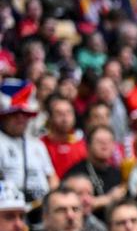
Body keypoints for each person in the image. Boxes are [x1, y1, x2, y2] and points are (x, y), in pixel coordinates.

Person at [0, 78, 57, 210]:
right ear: (3, 117)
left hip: (43, 207)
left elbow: (52, 178)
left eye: (25, 114)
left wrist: (52, 200)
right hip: (10, 208)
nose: (21, 119)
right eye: (14, 114)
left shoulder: (37, 144)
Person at [64, 125, 127, 215]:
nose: (105, 145)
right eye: (99, 141)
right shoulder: (76, 174)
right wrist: (107, 199)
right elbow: (70, 206)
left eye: (109, 141)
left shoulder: (117, 173)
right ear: (88, 145)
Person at [40, 94, 87, 178]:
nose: (65, 118)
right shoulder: (40, 145)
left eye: (69, 113)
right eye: (59, 114)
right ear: (50, 118)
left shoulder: (83, 145)